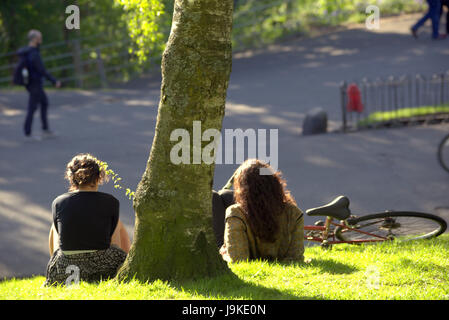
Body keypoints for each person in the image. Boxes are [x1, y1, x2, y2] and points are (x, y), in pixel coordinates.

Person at [45, 153, 131, 286]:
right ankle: (123, 266)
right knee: (117, 224)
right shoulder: (111, 201)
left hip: (66, 265)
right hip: (103, 264)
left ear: (71, 178)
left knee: (55, 225)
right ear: (98, 177)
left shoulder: (59, 202)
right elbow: (112, 236)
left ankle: (59, 262)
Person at [218, 159, 305, 263]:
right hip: (284, 274)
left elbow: (238, 260)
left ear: (243, 188)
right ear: (275, 184)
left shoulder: (236, 213)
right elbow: (295, 258)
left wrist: (223, 254)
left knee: (217, 197)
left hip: (249, 274)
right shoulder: (294, 213)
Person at [17, 30, 61, 141]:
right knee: (32, 107)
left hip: (32, 84)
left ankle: (45, 129)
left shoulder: (28, 52)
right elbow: (41, 70)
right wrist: (54, 81)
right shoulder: (33, 54)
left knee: (44, 103)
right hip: (35, 84)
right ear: (35, 39)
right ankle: (28, 133)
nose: (41, 39)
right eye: (40, 37)